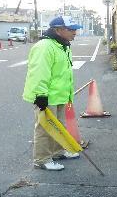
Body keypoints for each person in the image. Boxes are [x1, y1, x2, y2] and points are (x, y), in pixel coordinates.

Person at [23, 16, 82, 171]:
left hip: (60, 95)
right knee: (44, 128)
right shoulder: (45, 46)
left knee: (59, 126)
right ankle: (42, 159)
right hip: (46, 96)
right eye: (71, 29)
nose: (75, 32)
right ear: (58, 30)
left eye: (75, 29)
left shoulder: (63, 45)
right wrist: (40, 95)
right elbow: (39, 72)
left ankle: (57, 152)